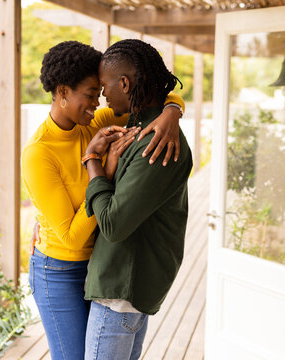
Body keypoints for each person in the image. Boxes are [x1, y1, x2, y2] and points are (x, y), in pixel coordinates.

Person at [21, 40, 185, 360]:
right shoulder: (39, 153)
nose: (97, 102)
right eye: (89, 93)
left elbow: (150, 95)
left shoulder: (92, 122)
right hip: (60, 270)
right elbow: (70, 237)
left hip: (96, 264)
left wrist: (172, 111)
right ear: (63, 91)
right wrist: (102, 171)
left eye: (99, 92)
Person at [81, 39, 193, 360]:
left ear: (125, 83)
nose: (103, 96)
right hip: (123, 290)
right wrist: (173, 108)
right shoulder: (141, 126)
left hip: (120, 292)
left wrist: (93, 162)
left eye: (105, 87)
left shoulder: (155, 142)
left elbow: (113, 224)